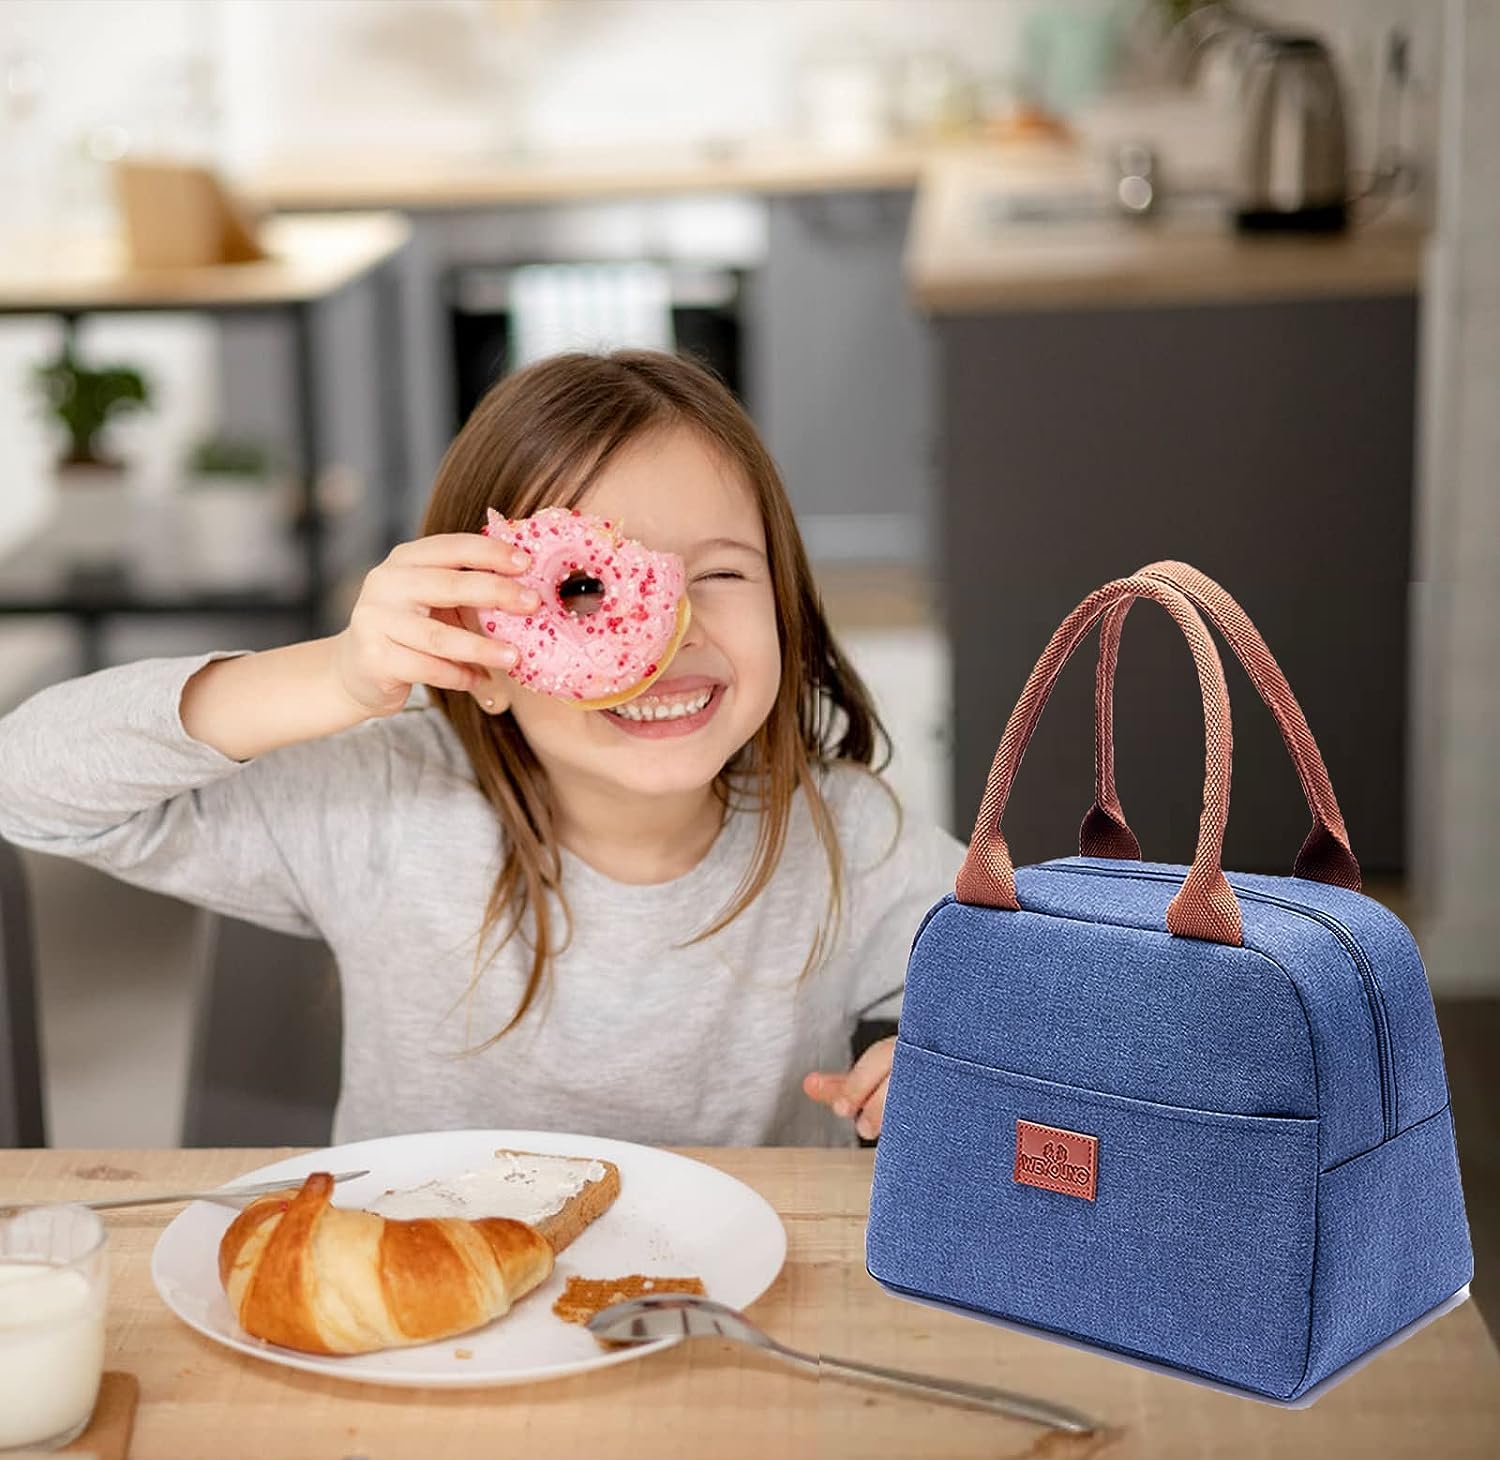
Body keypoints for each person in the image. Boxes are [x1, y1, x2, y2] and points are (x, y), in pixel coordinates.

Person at [0, 350, 965, 1148]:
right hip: (430, 1321)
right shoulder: (384, 807)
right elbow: (28, 782)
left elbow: (1073, 1001)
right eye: (585, 591)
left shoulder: (849, 840)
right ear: (480, 651)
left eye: (719, 573)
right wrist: (334, 677)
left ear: (789, 610)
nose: (670, 631)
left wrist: (953, 1072)